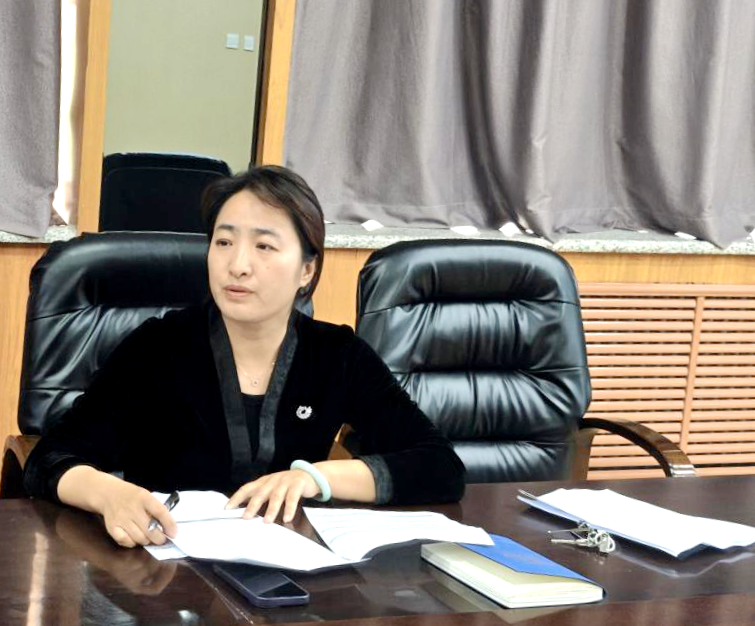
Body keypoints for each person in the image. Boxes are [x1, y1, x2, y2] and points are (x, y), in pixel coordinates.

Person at [23, 165, 466, 549]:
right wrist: (108, 494)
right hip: (161, 571)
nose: (237, 265)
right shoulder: (157, 348)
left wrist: (315, 478)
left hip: (289, 571)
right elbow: (50, 457)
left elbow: (439, 466)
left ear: (307, 270)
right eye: (223, 242)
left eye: (264, 246)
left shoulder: (336, 355)